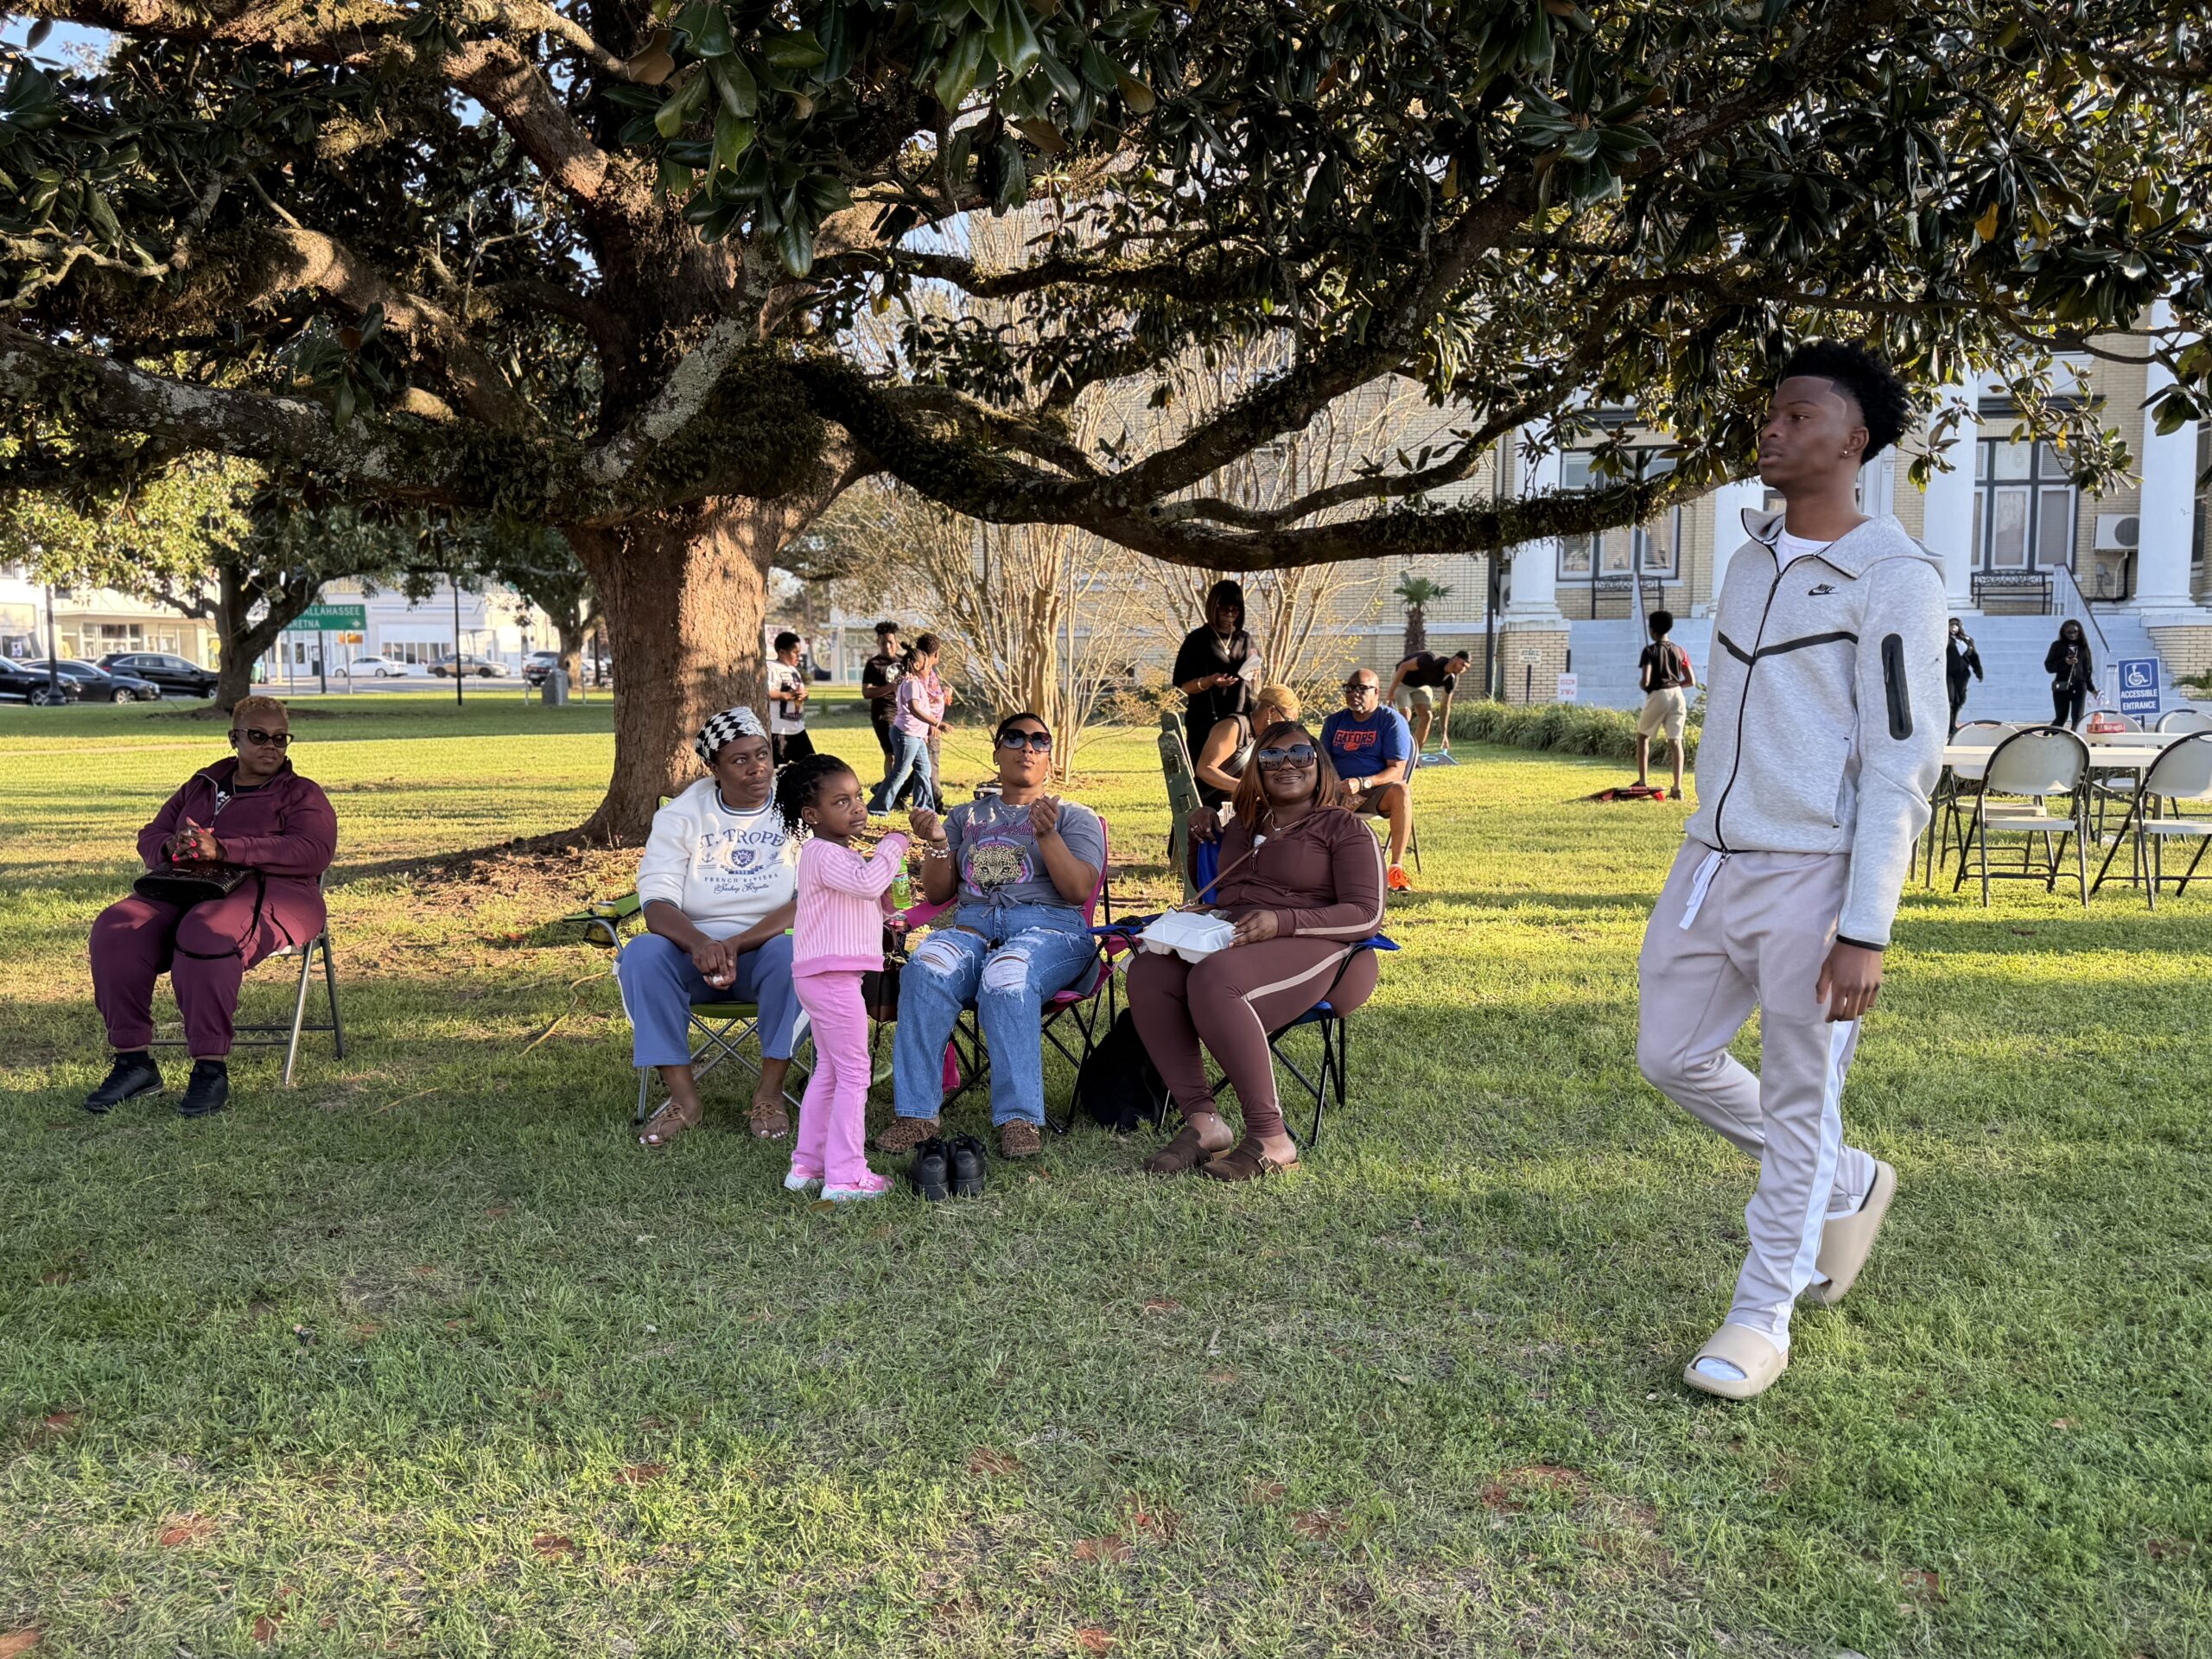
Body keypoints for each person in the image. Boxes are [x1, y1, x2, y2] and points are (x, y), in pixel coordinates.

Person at [1635, 340, 1942, 1402]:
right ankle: (1846, 1179)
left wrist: (1867, 923)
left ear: (1854, 442)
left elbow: (1902, 761)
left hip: (1816, 877)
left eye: (1798, 416)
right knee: (1669, 1056)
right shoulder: (1746, 557)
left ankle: (1762, 1315)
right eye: (1771, 413)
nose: (1772, 429)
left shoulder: (1894, 577)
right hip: (1709, 867)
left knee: (1803, 1099)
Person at [1130, 721, 1384, 1181]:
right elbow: (1219, 890)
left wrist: (1283, 920)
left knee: (1216, 978)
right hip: (1240, 936)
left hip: (1324, 948)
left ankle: (1272, 1138)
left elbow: (1368, 914)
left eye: (1300, 754)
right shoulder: (1245, 826)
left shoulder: (1343, 828)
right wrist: (1199, 835)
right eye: (1271, 758)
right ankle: (1204, 1124)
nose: (1286, 765)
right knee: (1149, 971)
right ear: (1256, 771)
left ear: (1319, 763)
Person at [85, 696, 337, 1119]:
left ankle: (209, 1068)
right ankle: (134, 1062)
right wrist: (172, 845)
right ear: (234, 738)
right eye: (258, 736)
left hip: (276, 891)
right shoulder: (202, 784)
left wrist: (226, 849)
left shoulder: (301, 793)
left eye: (280, 738)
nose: (270, 747)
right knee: (117, 927)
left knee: (206, 930)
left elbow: (313, 851)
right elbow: (153, 833)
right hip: (188, 885)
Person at [877, 712, 1105, 1160]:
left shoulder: (1073, 816)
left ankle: (1019, 1117)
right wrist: (940, 842)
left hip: (1051, 929)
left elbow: (1079, 891)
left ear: (1049, 758)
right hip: (974, 926)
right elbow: (941, 892)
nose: (1028, 747)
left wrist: (1047, 835)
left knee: (1007, 975)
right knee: (925, 968)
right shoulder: (966, 816)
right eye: (1015, 738)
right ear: (997, 751)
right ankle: (917, 1113)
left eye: (1040, 740)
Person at [617, 706, 802, 1148]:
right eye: (740, 760)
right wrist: (701, 944)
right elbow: (656, 904)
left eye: (762, 754)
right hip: (692, 956)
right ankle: (684, 1099)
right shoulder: (681, 816)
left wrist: (735, 944)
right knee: (641, 953)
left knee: (795, 955)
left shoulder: (796, 806)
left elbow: (808, 899)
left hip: (766, 952)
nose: (757, 768)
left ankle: (770, 1094)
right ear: (713, 768)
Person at [776, 753, 909, 1203]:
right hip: (830, 980)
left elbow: (863, 895)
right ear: (812, 815)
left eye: (858, 797)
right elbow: (869, 882)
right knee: (856, 1073)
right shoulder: (821, 852)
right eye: (841, 801)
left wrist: (887, 913)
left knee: (831, 1071)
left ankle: (808, 1166)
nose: (857, 808)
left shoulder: (837, 855)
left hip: (828, 976)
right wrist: (894, 844)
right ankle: (846, 1177)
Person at [1319, 668, 1415, 892]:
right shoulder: (1334, 721)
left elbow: (1397, 771)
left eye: (1362, 689)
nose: (1355, 694)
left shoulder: (1390, 720)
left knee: (1401, 791)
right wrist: (1337, 788)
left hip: (1375, 790)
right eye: (1350, 688)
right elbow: (1323, 761)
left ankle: (1396, 868)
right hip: (1335, 790)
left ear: (1377, 692)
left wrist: (1363, 784)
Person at [1173, 580, 1258, 760]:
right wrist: (1211, 680)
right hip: (1205, 721)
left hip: (1239, 721)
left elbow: (1254, 679)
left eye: (1235, 609)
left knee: (1239, 771)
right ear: (1213, 606)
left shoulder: (1246, 639)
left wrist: (1254, 674)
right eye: (1224, 608)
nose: (1230, 614)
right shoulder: (1197, 640)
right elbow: (1185, 686)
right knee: (1206, 772)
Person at [870, 632, 947, 814]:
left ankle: (923, 808)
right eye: (926, 665)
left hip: (917, 734)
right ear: (916, 665)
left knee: (924, 770)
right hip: (907, 734)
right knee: (901, 772)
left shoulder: (914, 680)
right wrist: (935, 724)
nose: (930, 669)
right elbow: (914, 708)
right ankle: (877, 807)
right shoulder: (912, 682)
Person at [1192, 681, 1300, 808]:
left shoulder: (1264, 736)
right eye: (1287, 721)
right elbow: (1205, 770)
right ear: (1271, 711)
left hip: (1240, 806)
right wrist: (1246, 788)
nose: (1288, 727)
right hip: (1212, 809)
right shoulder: (1233, 727)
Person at [1634, 610, 1697, 795]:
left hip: (1659, 693)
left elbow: (1645, 681)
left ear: (1652, 630)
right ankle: (1677, 788)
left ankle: (1642, 781)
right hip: (1678, 695)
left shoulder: (1650, 651)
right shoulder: (1680, 651)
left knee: (1643, 737)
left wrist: (1647, 687)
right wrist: (1675, 685)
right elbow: (1691, 680)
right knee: (1675, 741)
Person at [1384, 648, 1470, 754]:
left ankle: (1414, 755)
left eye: (1466, 667)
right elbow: (1404, 666)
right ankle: (1397, 750)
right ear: (1455, 659)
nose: (1463, 669)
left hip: (1421, 685)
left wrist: (1444, 734)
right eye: (1462, 664)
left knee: (1427, 716)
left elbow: (1445, 706)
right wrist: (1391, 693)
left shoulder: (1451, 680)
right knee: (1406, 716)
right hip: (1403, 680)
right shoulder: (1431, 660)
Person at [860, 620, 906, 771]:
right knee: (891, 753)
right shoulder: (873, 664)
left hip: (904, 712)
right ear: (878, 642)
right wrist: (890, 687)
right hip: (883, 713)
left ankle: (899, 787)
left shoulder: (904, 662)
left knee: (907, 752)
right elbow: (866, 692)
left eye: (890, 642)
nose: (887, 646)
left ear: (896, 642)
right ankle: (891, 789)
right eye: (883, 643)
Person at [766, 631, 813, 768]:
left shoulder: (794, 670)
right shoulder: (771, 667)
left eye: (800, 653)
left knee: (812, 766)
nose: (799, 656)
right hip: (779, 730)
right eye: (795, 653)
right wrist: (784, 695)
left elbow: (800, 693)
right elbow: (765, 692)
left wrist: (804, 695)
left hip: (797, 728)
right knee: (778, 770)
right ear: (782, 652)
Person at [2045, 619, 2094, 729]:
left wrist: (2091, 688)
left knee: (2077, 718)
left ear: (2080, 632)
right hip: (2062, 685)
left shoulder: (2083, 647)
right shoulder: (2057, 646)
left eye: (2075, 632)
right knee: (2061, 717)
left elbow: (2088, 669)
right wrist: (2065, 662)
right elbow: (2049, 666)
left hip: (2079, 685)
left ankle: (2075, 741)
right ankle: (2050, 737)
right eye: (2069, 632)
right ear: (2063, 632)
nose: (2072, 635)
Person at [1945, 618, 1984, 735]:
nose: (1953, 627)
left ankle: (1953, 724)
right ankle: (1949, 726)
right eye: (1951, 625)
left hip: (1962, 674)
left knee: (1960, 699)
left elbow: (1974, 657)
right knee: (1950, 699)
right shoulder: (1944, 640)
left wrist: (1978, 672)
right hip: (1948, 673)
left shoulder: (1967, 640)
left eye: (1956, 625)